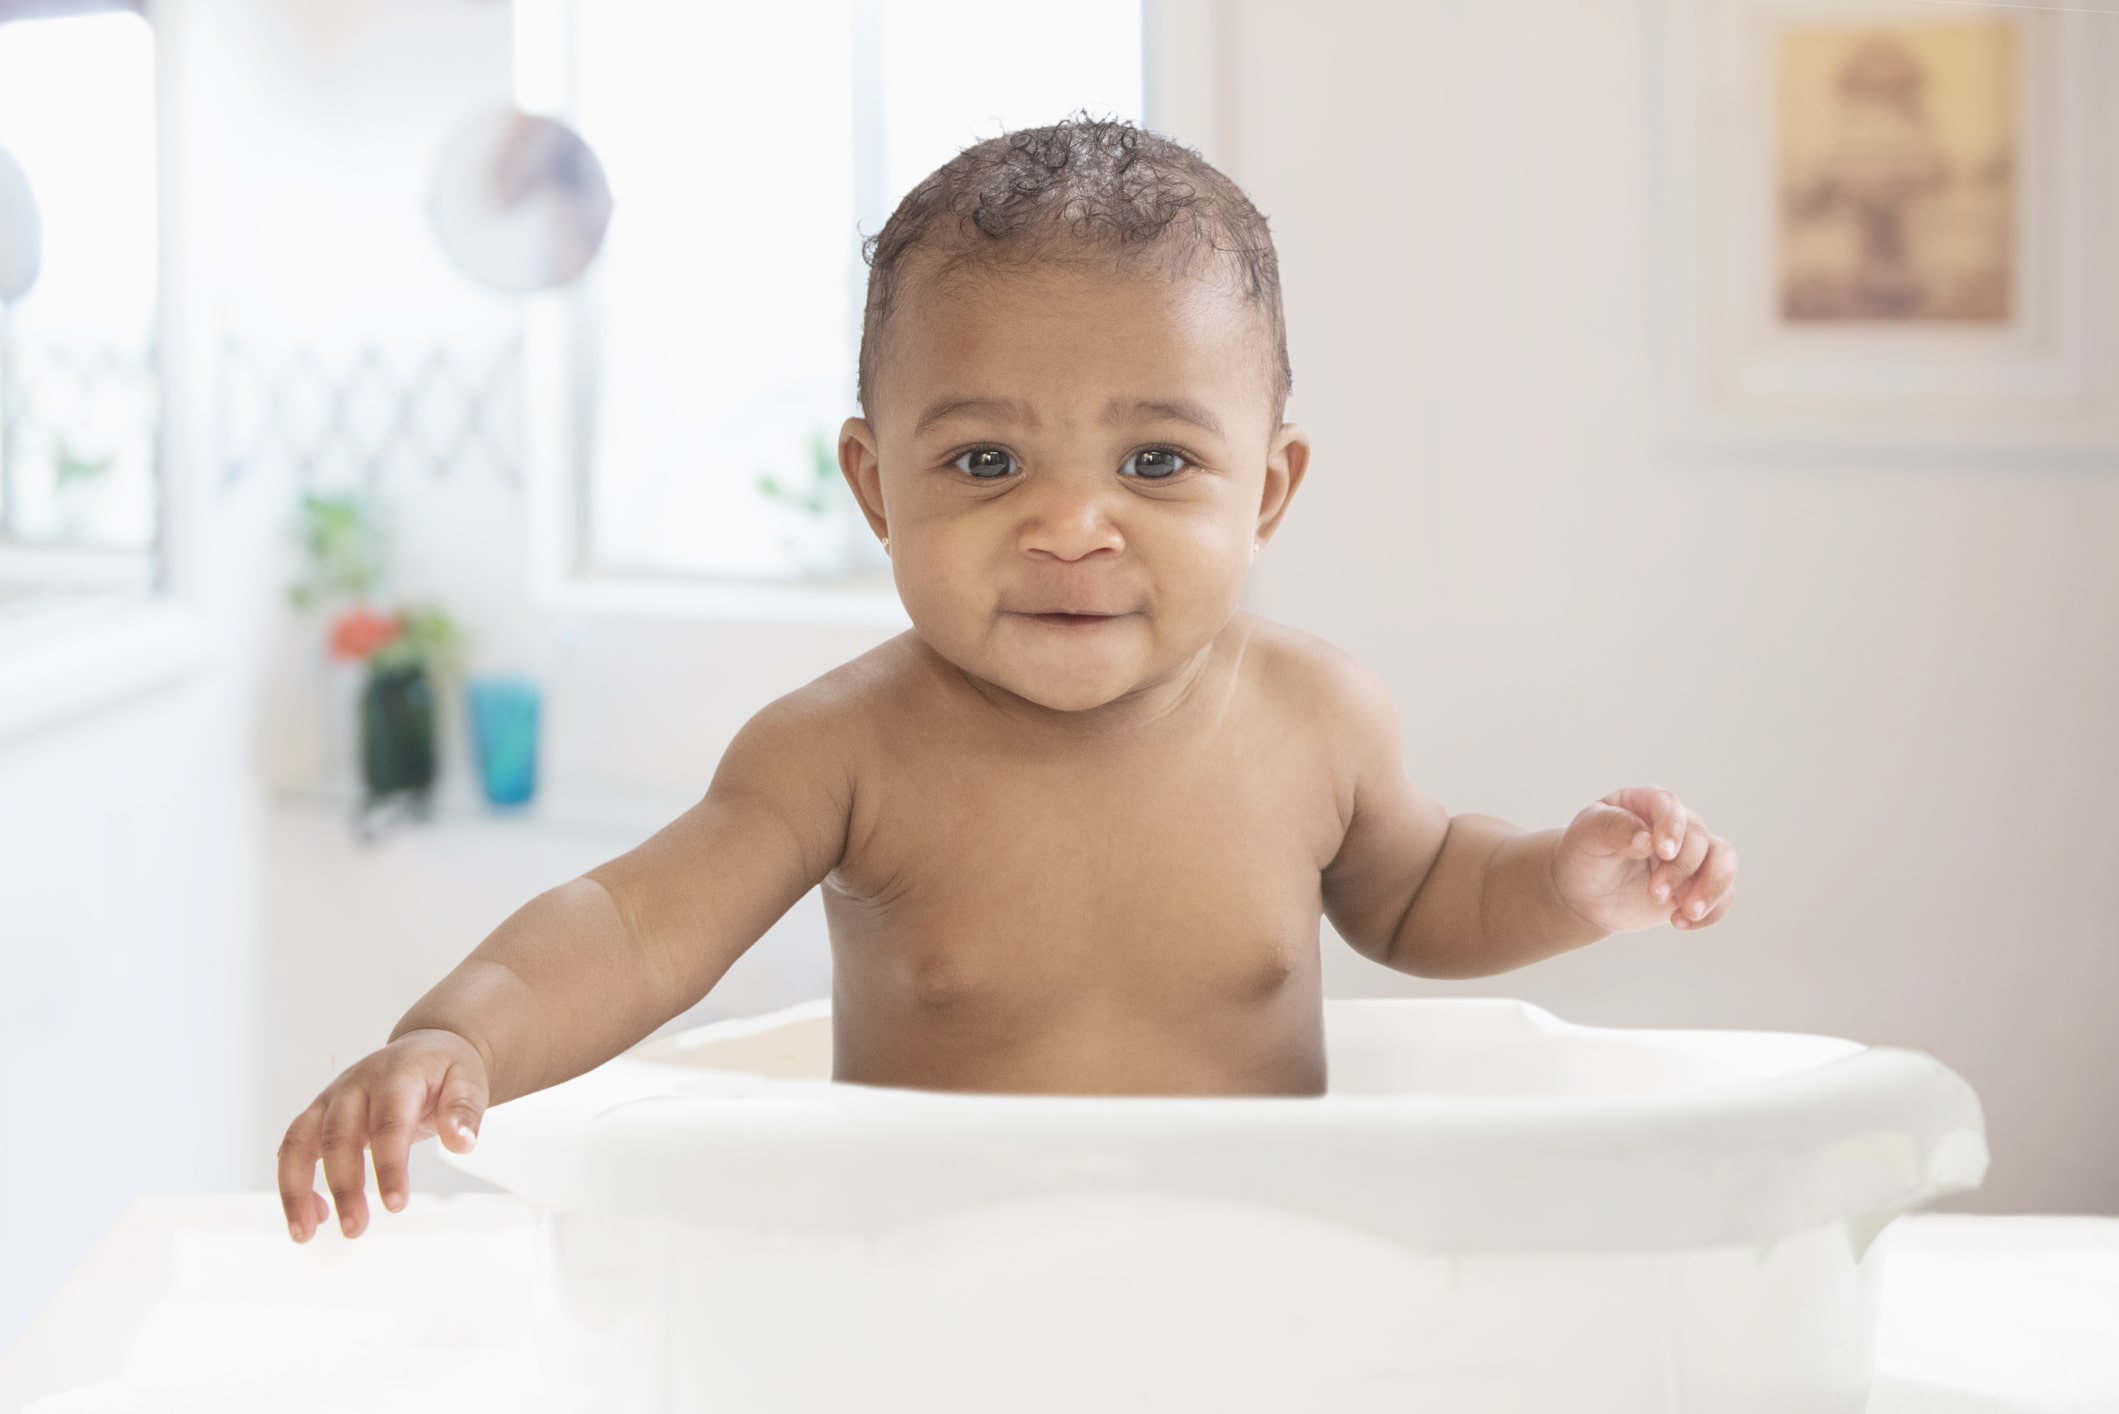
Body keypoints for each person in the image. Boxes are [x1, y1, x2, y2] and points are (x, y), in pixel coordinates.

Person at [280, 115, 1736, 1244]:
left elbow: (1426, 895)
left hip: (1254, 1286)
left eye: (1156, 461)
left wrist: (1569, 879)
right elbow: (632, 925)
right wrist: (456, 1033)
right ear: (873, 484)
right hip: (931, 1303)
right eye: (986, 460)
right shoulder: (843, 751)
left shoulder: (1318, 718)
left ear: (1270, 489)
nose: (1071, 523)